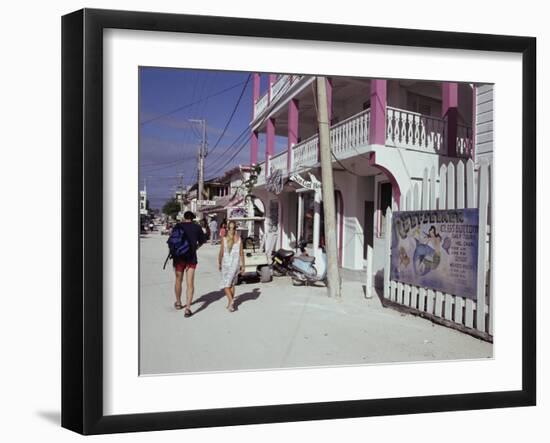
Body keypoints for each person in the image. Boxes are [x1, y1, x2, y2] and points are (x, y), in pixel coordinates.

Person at [173, 211, 207, 317]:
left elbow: (173, 241)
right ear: (192, 218)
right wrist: (195, 248)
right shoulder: (197, 227)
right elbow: (202, 241)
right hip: (191, 258)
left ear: (184, 217)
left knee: (178, 280)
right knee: (190, 283)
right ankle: (187, 309)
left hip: (179, 258)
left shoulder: (178, 226)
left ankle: (178, 303)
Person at [218, 220, 244, 312]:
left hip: (226, 264)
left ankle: (231, 300)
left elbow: (221, 252)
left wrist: (219, 263)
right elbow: (241, 253)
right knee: (232, 284)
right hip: (235, 264)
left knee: (226, 284)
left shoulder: (224, 238)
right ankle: (230, 305)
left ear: (227, 228)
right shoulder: (239, 239)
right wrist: (243, 266)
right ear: (235, 229)